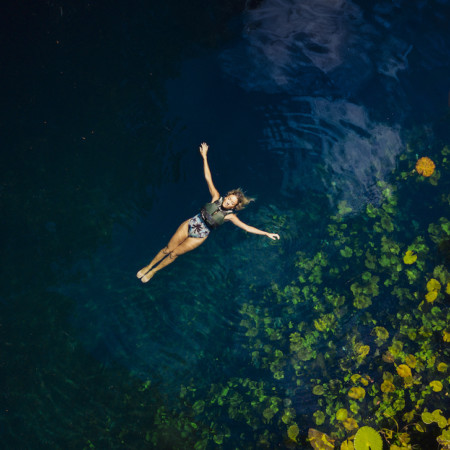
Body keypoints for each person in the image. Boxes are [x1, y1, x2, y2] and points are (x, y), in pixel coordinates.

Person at [137, 142, 280, 283]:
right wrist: (204, 157)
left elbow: (246, 227)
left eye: (232, 202)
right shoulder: (216, 197)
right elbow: (208, 177)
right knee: (168, 249)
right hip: (190, 223)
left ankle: (154, 271)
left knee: (174, 254)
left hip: (200, 236)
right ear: (227, 196)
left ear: (235, 206)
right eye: (229, 198)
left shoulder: (230, 216)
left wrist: (266, 233)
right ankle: (148, 266)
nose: (229, 202)